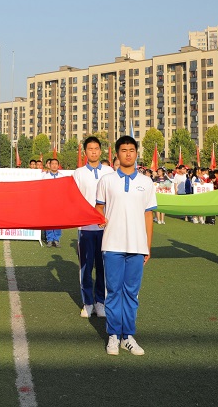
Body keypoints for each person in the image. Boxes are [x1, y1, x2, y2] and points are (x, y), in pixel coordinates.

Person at [95, 136, 156, 357]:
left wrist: (148, 245)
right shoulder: (107, 180)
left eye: (131, 150)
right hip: (112, 243)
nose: (128, 154)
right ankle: (113, 335)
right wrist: (100, 218)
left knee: (131, 292)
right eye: (124, 150)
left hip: (137, 246)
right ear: (117, 154)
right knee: (113, 291)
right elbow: (98, 208)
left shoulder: (146, 182)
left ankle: (127, 336)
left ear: (136, 153)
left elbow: (148, 215)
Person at [72, 136, 113, 318]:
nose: (94, 152)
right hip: (86, 228)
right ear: (85, 152)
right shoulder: (78, 173)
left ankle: (100, 302)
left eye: (96, 148)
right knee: (86, 267)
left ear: (100, 151)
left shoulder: (109, 171)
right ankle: (88, 303)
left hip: (105, 228)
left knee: (103, 267)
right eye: (90, 149)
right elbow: (74, 199)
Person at [43, 158, 63, 247]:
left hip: (59, 202)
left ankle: (56, 239)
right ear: (49, 165)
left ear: (58, 165)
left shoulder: (62, 176)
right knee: (49, 221)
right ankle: (50, 239)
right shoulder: (45, 177)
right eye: (52, 164)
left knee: (58, 221)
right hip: (48, 201)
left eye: (56, 164)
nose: (54, 165)